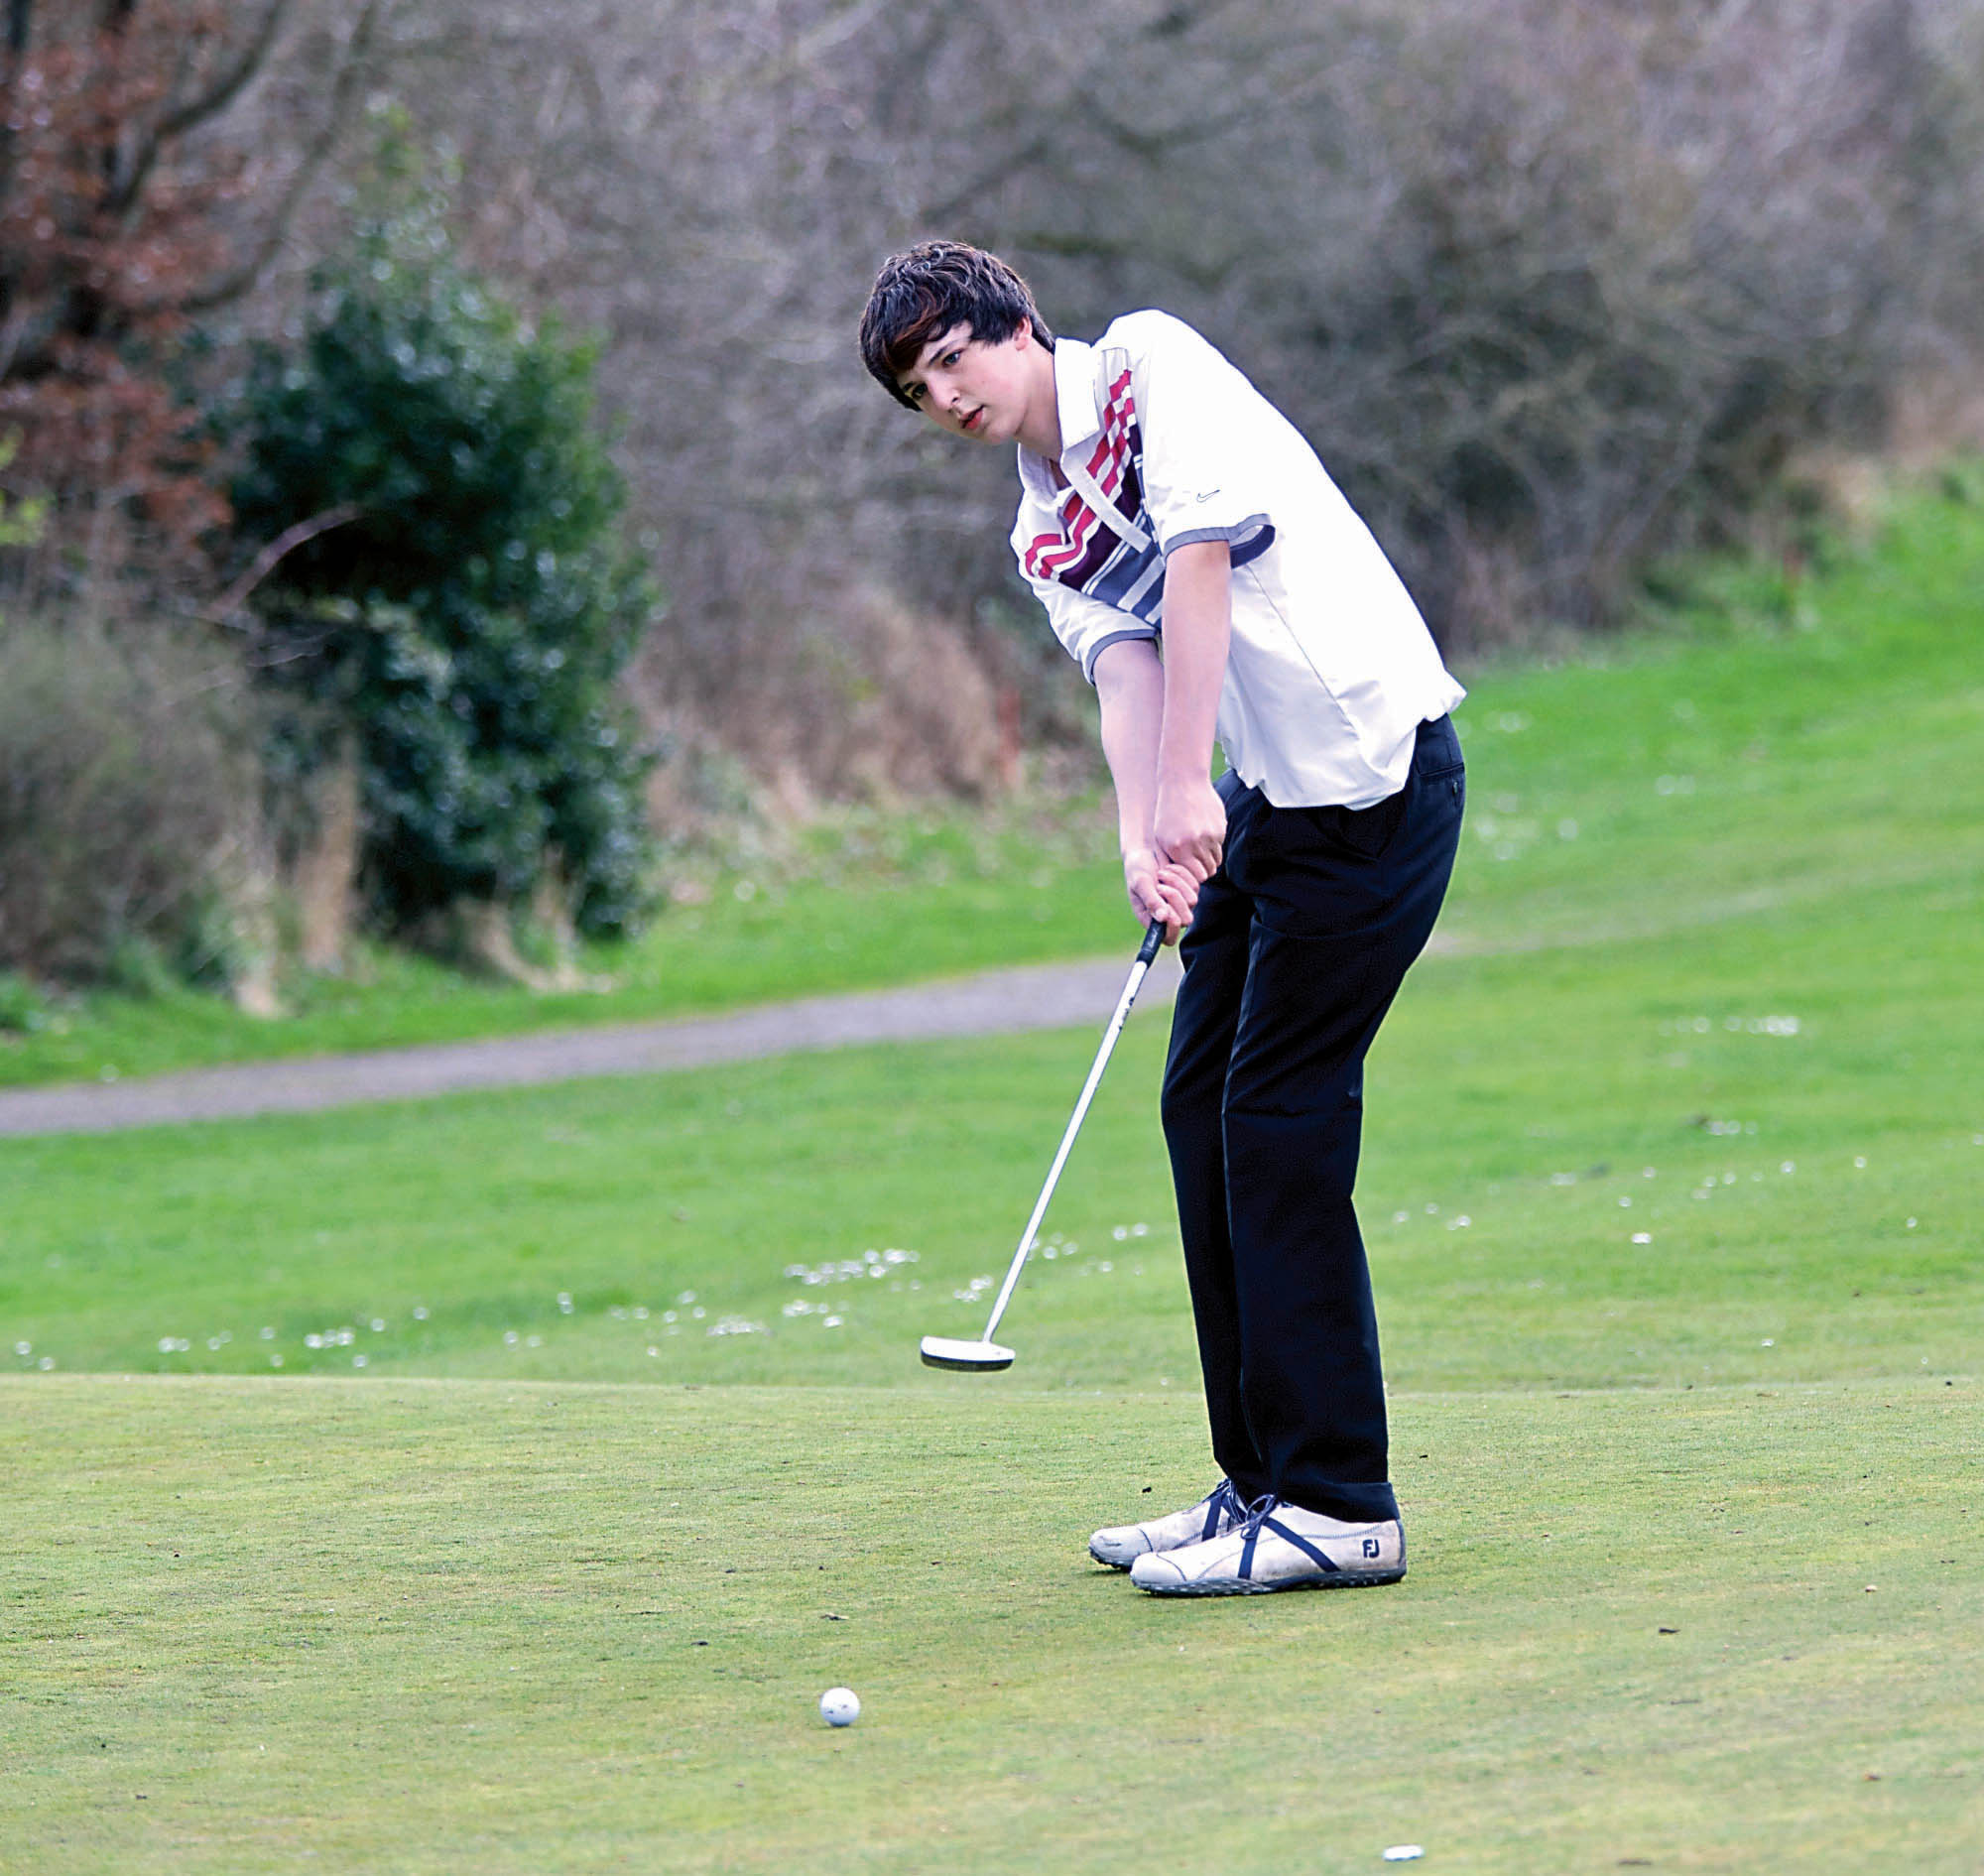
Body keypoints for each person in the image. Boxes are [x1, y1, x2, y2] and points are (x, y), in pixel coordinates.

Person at [859, 241, 1466, 1596]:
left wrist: (1194, 785)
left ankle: (1339, 1499)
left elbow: (1197, 563)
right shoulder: (1038, 527)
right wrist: (1145, 836)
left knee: (1278, 1117)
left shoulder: (1147, 363)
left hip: (1370, 772)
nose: (946, 395)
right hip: (1271, 804)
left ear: (1017, 322)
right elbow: (1124, 668)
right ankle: (1258, 1479)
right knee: (1201, 1107)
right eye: (918, 389)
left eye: (953, 356)